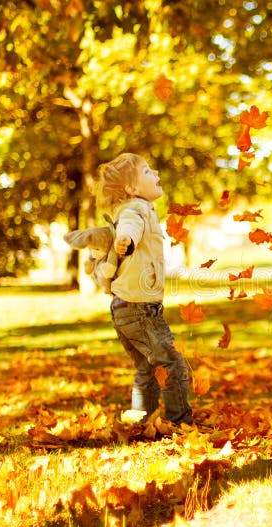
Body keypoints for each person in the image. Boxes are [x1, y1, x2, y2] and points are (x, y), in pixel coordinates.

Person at [95, 152, 193, 426]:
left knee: (147, 369)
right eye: (148, 172)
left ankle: (141, 424)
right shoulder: (135, 209)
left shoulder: (136, 207)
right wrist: (126, 239)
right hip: (139, 309)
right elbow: (131, 227)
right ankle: (179, 424)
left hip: (125, 306)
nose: (157, 174)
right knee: (173, 364)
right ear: (132, 189)